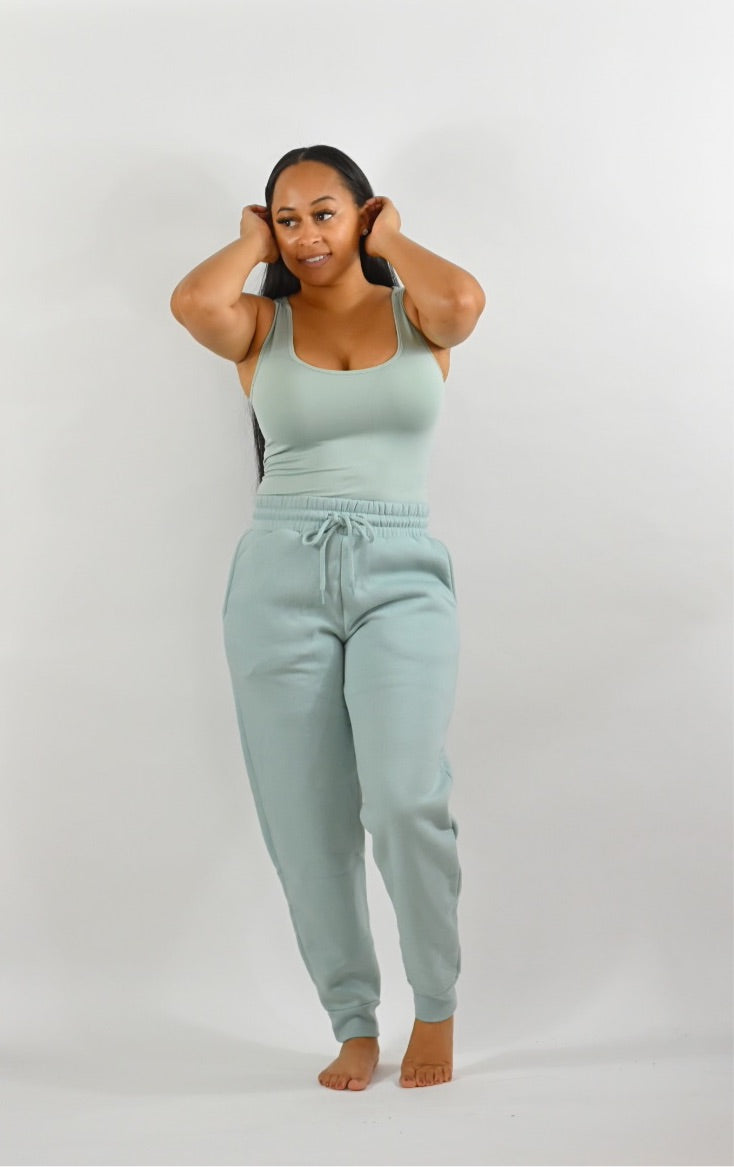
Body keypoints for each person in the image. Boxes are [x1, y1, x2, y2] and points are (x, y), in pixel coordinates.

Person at [170, 144, 485, 1090]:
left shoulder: (416, 311)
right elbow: (193, 302)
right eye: (288, 217)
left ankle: (436, 1005)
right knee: (305, 823)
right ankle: (352, 1020)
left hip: (402, 573)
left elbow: (465, 301)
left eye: (325, 212)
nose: (306, 233)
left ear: (363, 214)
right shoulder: (259, 324)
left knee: (404, 797)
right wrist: (248, 241)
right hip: (279, 577)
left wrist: (393, 239)